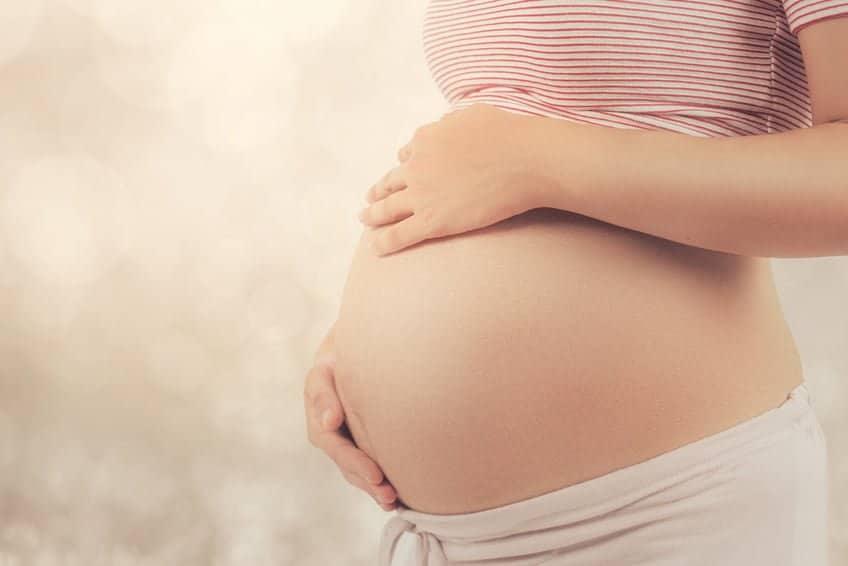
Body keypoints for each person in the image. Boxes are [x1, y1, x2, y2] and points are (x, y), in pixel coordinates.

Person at [305, 1, 848, 564]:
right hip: (443, 533)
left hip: (665, 506)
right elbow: (493, 142)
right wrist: (359, 349)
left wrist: (542, 163)